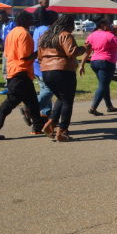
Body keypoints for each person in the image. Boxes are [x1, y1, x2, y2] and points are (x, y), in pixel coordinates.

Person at [0, 10, 44, 139]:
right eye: (30, 19)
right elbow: (25, 57)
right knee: (10, 102)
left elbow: (8, 53)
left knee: (32, 102)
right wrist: (39, 52)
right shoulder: (24, 34)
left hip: (16, 71)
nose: (32, 21)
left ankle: (38, 127)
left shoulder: (12, 33)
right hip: (20, 72)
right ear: (25, 21)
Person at [38, 14, 86, 142]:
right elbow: (72, 52)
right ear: (69, 24)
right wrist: (84, 48)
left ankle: (50, 124)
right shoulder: (65, 35)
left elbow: (39, 56)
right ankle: (62, 131)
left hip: (46, 71)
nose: (73, 28)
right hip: (63, 70)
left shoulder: (45, 36)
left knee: (61, 98)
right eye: (73, 25)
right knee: (67, 101)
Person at [79, 17, 117, 116]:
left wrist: (81, 64)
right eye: (109, 24)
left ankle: (109, 106)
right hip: (106, 62)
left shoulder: (92, 35)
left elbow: (88, 51)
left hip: (94, 62)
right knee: (103, 85)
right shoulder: (109, 35)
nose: (111, 26)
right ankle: (93, 108)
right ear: (103, 25)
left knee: (104, 84)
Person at [21, 7, 58, 125]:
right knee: (49, 89)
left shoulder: (38, 29)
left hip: (37, 64)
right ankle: (30, 109)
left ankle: (45, 115)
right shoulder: (47, 30)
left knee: (44, 89)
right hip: (44, 64)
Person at [0, 9, 16, 95]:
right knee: (4, 69)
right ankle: (7, 85)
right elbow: (3, 38)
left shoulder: (12, 24)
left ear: (5, 16)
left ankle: (10, 86)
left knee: (10, 69)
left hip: (11, 50)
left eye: (0, 17)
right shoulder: (3, 26)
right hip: (5, 50)